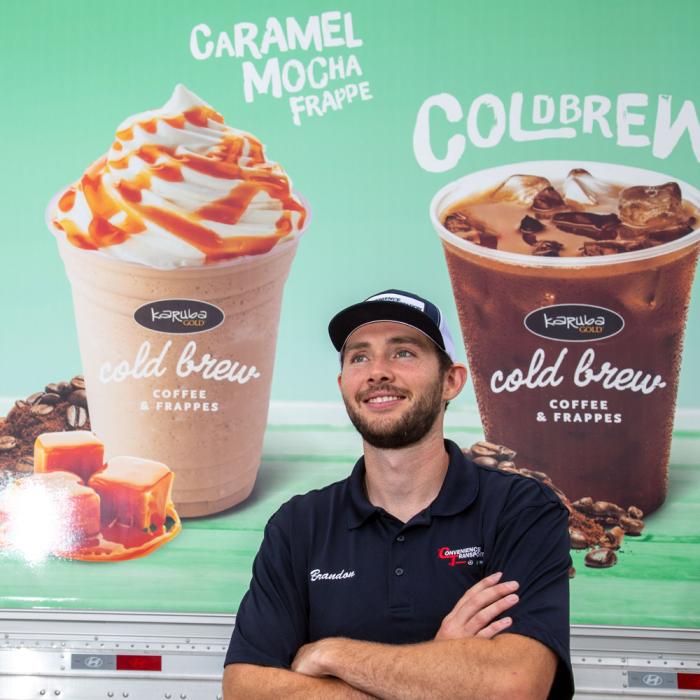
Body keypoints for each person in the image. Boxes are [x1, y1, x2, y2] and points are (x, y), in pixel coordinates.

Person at [223, 289, 574, 699]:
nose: (377, 372)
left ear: (451, 381)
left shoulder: (521, 509)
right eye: (359, 357)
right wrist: (446, 670)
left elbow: (513, 686)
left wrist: (330, 655)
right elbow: (245, 688)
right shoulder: (300, 524)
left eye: (403, 353)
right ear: (343, 385)